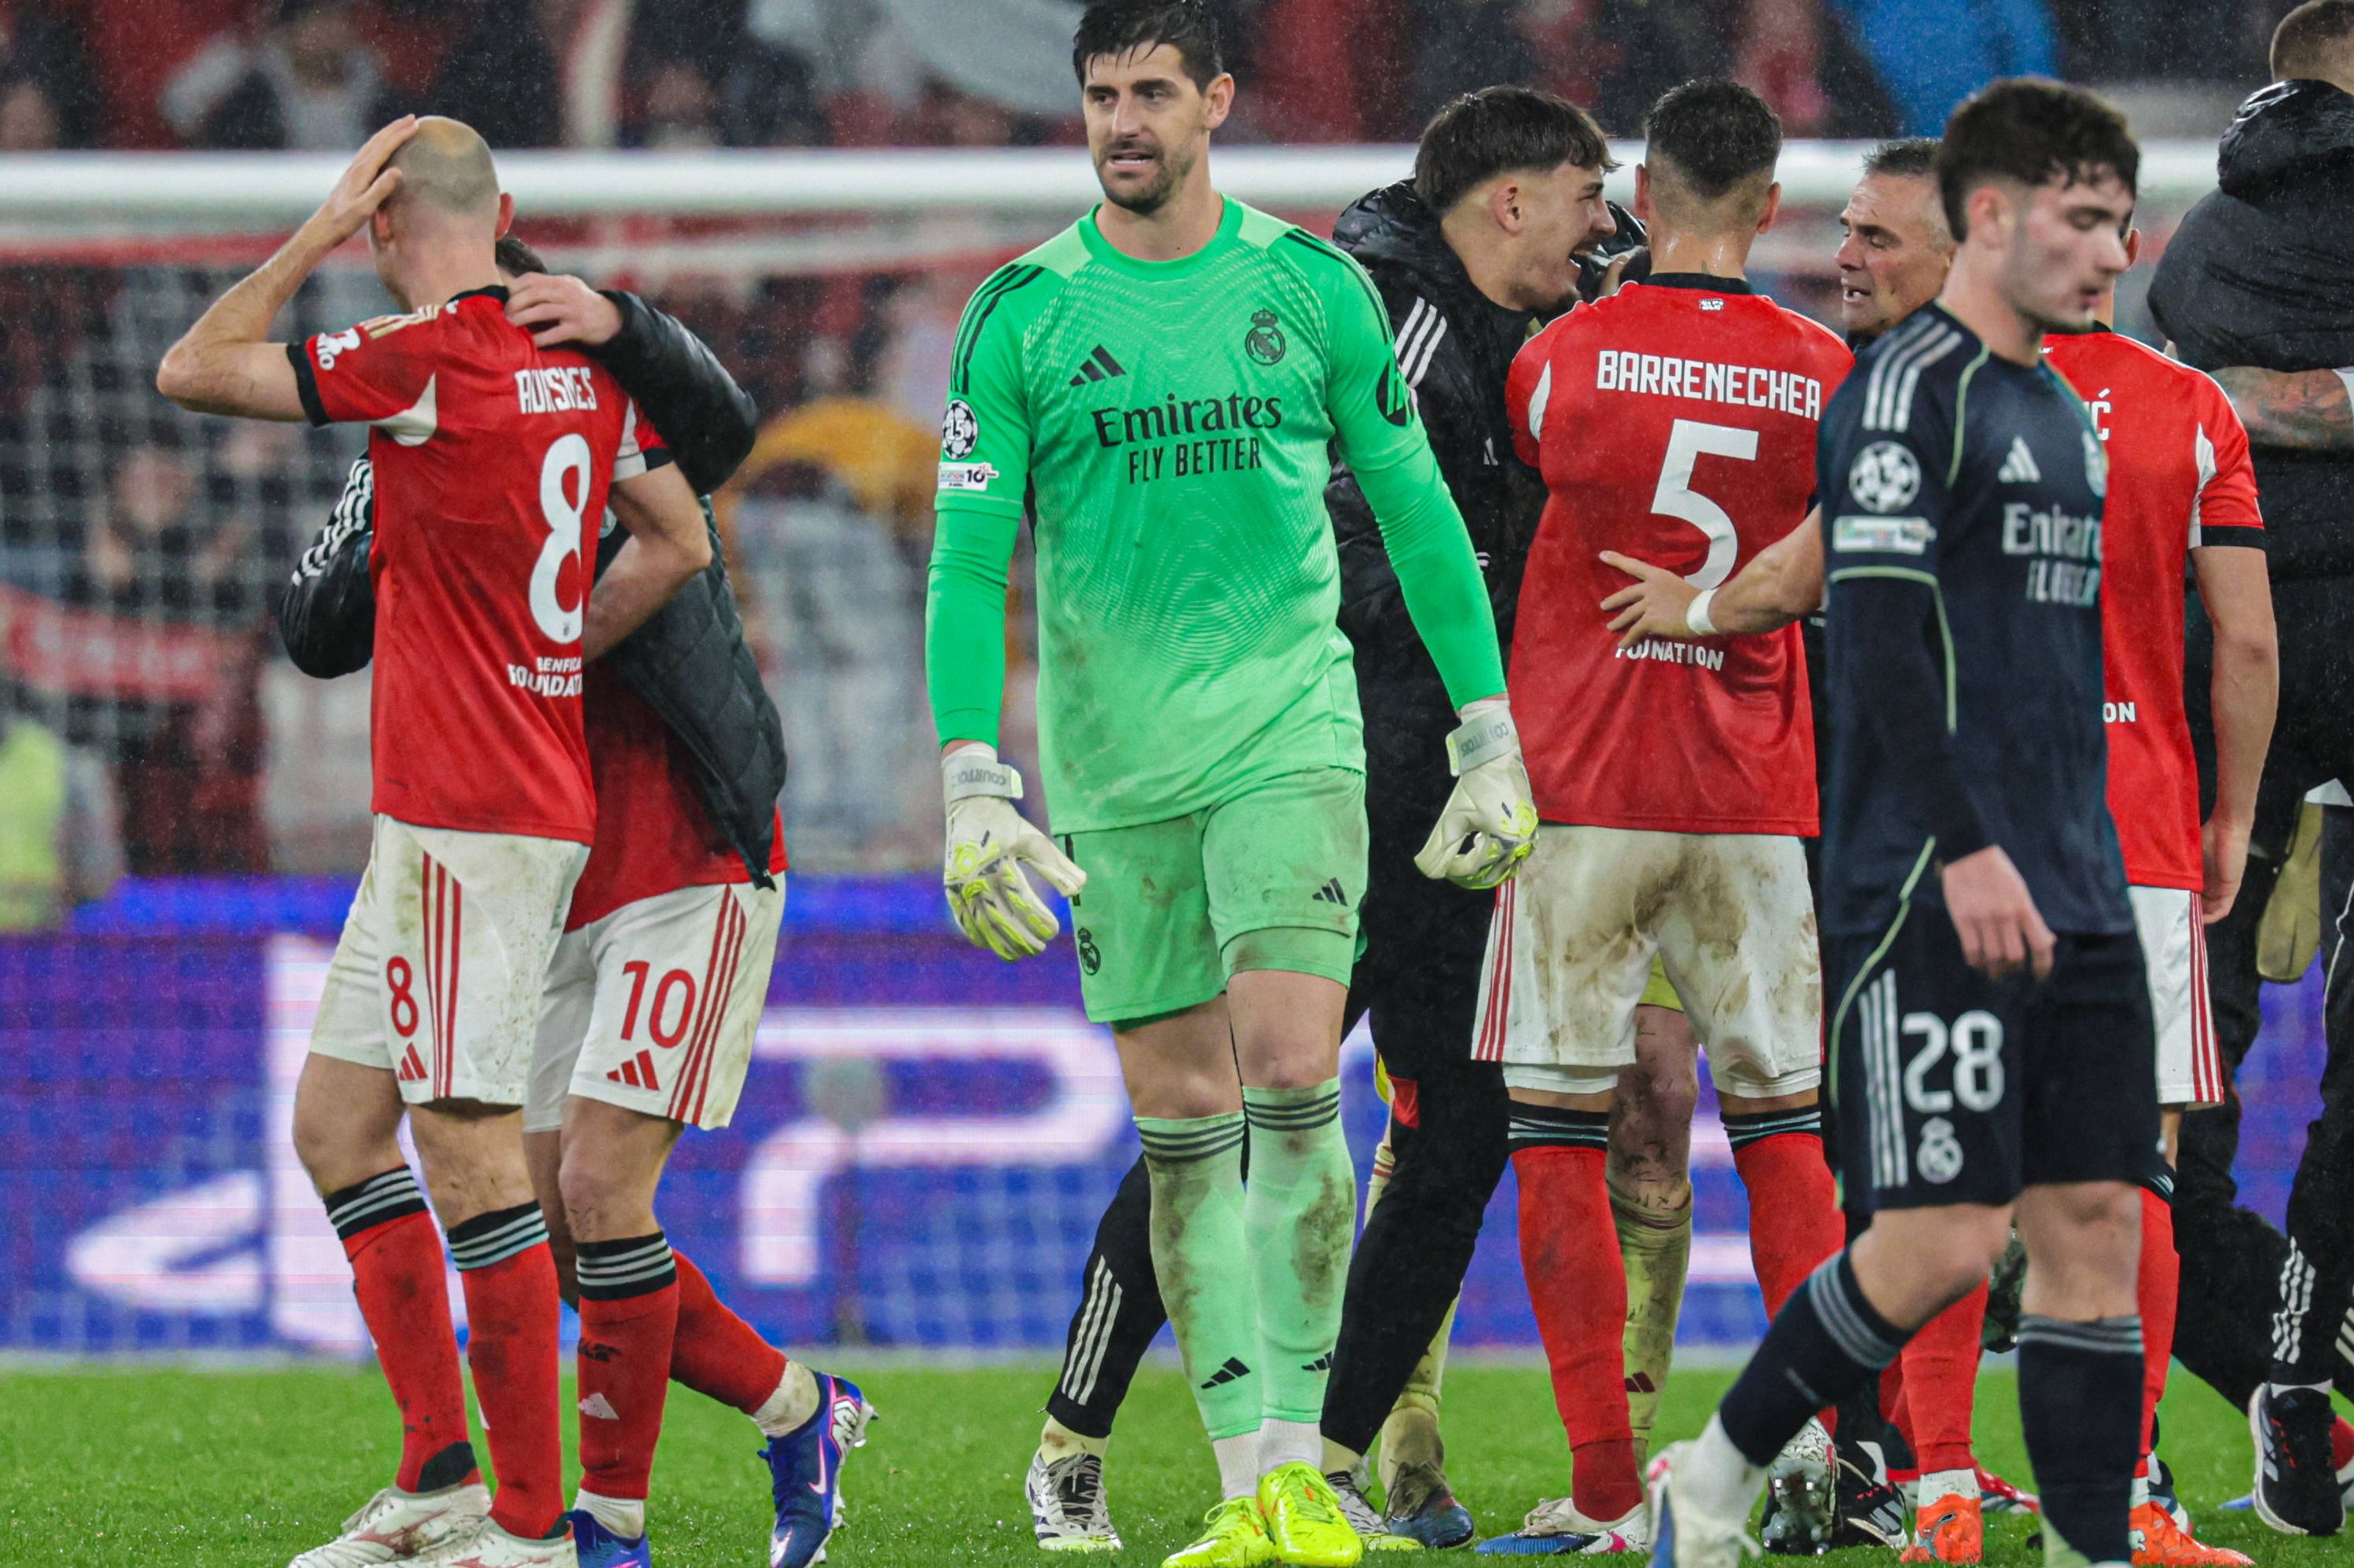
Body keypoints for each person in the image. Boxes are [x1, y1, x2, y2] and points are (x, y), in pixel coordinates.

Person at [922, 2, 1537, 1563]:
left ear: (1213, 100)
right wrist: (972, 780)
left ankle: (1297, 1481)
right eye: (1097, 94)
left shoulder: (1307, 288)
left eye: (1148, 92)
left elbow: (1417, 517)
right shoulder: (1021, 314)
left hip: (1291, 744)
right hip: (1117, 778)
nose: (1120, 121)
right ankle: (1240, 1472)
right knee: (1186, 1128)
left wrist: (1489, 731)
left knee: (1289, 1086)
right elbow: (968, 558)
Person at [1608, 191, 2282, 1568]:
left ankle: (1943, 1489)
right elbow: (2250, 645)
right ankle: (2125, 1499)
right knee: (2124, 1186)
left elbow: (1799, 578)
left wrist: (1690, 605)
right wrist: (2235, 820)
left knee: (1938, 1194)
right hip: (2128, 842)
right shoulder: (2189, 409)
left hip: (1943, 854)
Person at [1021, 86, 1636, 1557]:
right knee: (1228, 1116)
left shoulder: (1522, 323)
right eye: (1583, 197)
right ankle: (1074, 1437)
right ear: (1507, 202)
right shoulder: (1382, 322)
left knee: (1461, 1122)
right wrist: (1473, 681)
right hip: (1332, 782)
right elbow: (1351, 558)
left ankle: (1335, 1452)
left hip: (1458, 800)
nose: (1601, 228)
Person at [155, 115, 713, 1568]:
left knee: (470, 1158)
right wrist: (555, 652)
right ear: (506, 208)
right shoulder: (585, 367)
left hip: (473, 820)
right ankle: (440, 1476)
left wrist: (313, 235)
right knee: (338, 1129)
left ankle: (530, 1531)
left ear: (389, 221)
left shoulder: (422, 356)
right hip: (469, 809)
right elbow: (681, 538)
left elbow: (193, 368)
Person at [279, 234, 868, 1568]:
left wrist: (622, 319)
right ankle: (797, 1405)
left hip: (686, 853)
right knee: (552, 1210)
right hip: (532, 868)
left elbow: (723, 436)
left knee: (600, 1189)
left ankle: (602, 1527)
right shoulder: (418, 420)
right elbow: (312, 630)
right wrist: (384, 468)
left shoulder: (612, 395)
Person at [1476, 77, 1849, 1558]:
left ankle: (1606, 1490)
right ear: (1771, 205)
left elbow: (1542, 460)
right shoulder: (1828, 368)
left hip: (1581, 787)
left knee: (1560, 1139)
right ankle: (1816, 1448)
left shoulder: (1559, 357)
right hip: (1751, 791)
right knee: (1785, 1135)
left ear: (1639, 186)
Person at [2149, 0, 2354, 1533]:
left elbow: (2184, 407)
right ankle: (2297, 1363)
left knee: (2175, 1111)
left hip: (2218, 693)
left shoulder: (2206, 236)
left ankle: (2279, 1380)